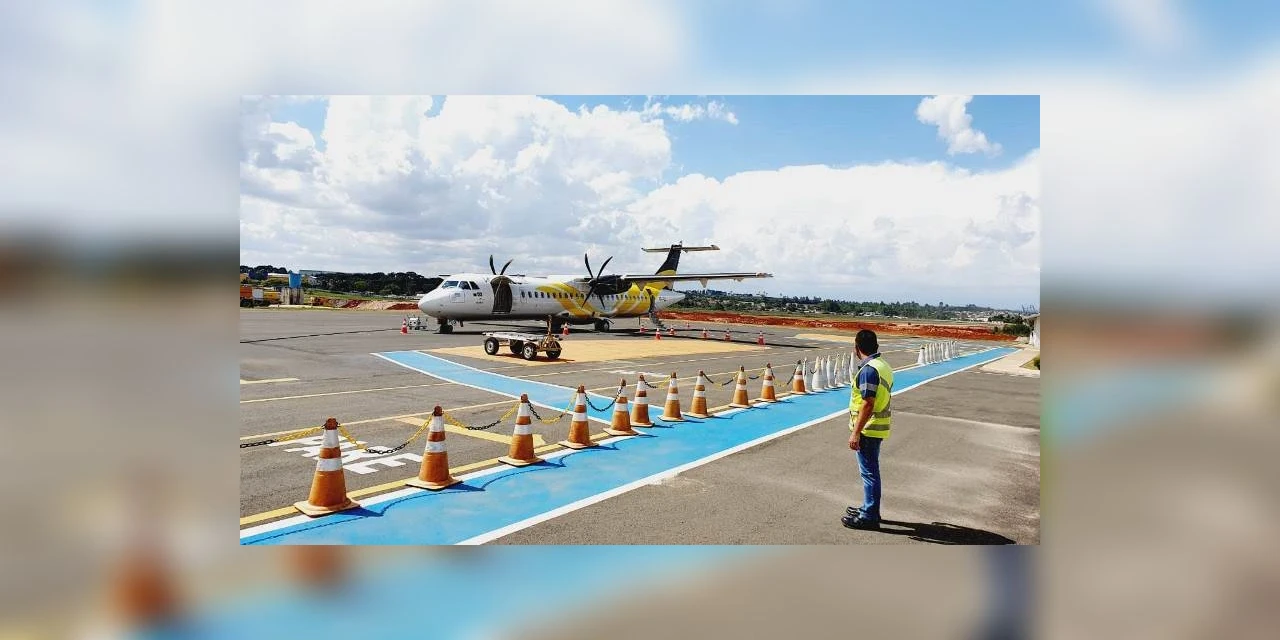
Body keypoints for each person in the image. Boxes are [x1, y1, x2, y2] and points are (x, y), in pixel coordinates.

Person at [843, 329, 894, 530]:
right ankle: (868, 508)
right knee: (870, 471)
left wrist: (856, 432)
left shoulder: (869, 370)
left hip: (869, 428)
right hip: (876, 427)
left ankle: (869, 516)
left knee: (869, 473)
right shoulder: (883, 365)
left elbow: (868, 403)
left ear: (857, 348)